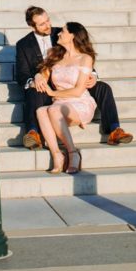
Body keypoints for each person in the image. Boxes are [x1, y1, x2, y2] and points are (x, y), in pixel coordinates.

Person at [15, 6, 133, 149]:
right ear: (31, 26)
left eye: (48, 20)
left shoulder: (61, 33)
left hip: (72, 81)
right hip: (47, 84)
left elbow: (80, 53)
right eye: (42, 24)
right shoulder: (23, 45)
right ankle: (33, 133)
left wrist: (93, 75)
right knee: (34, 91)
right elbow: (22, 73)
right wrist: (35, 77)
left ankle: (115, 130)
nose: (48, 26)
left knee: (103, 87)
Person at [35, 21, 97, 173]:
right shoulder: (54, 55)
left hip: (79, 103)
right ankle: (57, 155)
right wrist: (37, 76)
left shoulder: (85, 58)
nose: (58, 34)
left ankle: (73, 153)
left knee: (54, 110)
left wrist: (52, 93)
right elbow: (43, 77)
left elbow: (77, 91)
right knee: (41, 111)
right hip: (59, 104)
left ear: (72, 36)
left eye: (62, 31)